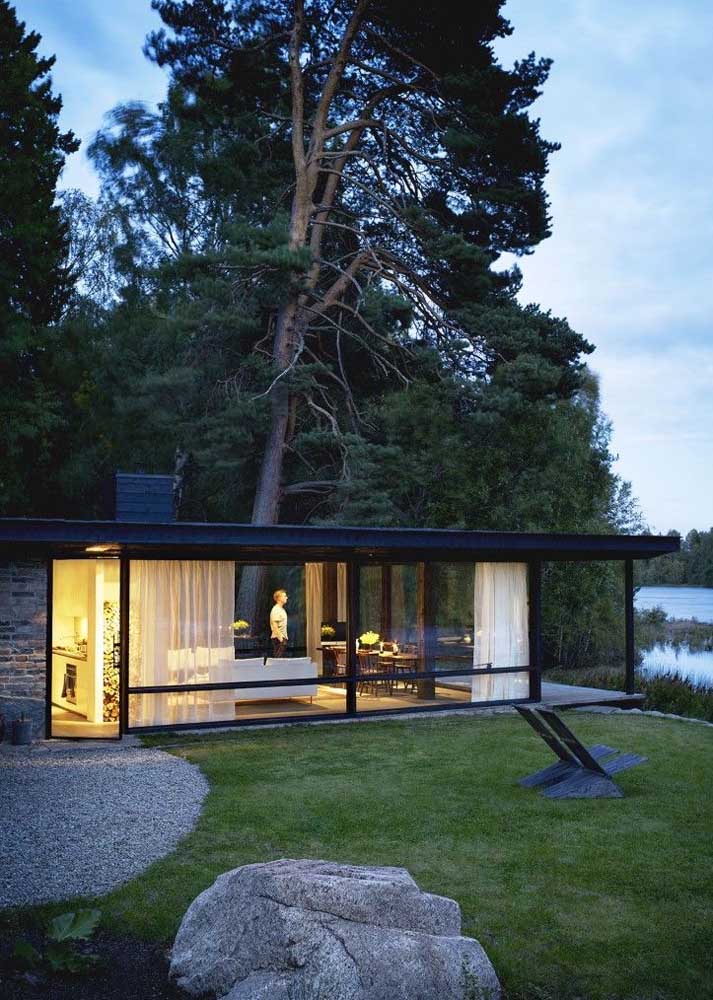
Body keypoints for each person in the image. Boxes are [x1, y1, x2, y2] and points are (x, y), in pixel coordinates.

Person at [269, 589, 288, 657]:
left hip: (282, 638)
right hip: (278, 638)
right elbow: (275, 626)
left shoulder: (281, 609)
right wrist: (281, 640)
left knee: (280, 660)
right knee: (278, 660)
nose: (286, 597)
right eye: (284, 596)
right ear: (279, 598)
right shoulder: (276, 610)